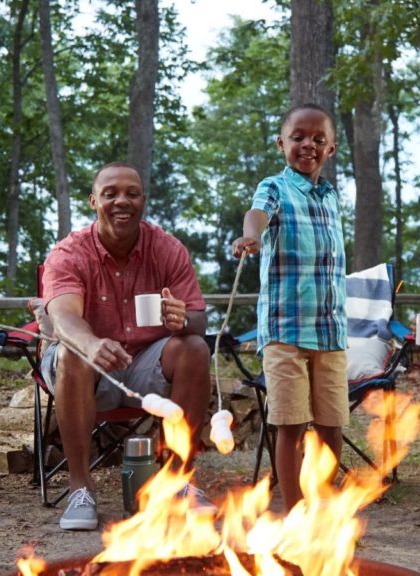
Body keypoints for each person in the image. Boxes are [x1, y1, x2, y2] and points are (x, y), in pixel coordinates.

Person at [40, 162, 214, 531]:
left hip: (145, 364)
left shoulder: (167, 249)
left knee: (194, 347)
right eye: (110, 193)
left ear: (144, 201)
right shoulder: (69, 253)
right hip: (84, 365)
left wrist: (182, 318)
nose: (122, 201)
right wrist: (91, 343)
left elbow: (199, 321)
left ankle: (178, 480)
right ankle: (80, 489)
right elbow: (63, 319)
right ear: (93, 201)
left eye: (132, 193)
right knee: (73, 349)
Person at [231, 103, 348, 510]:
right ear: (282, 143)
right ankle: (295, 509)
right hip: (284, 331)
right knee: (291, 424)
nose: (308, 145)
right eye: (298, 137)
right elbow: (257, 214)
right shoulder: (275, 187)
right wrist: (251, 236)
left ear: (331, 149)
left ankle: (324, 506)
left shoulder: (331, 196)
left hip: (330, 331)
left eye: (319, 139)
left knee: (333, 424)